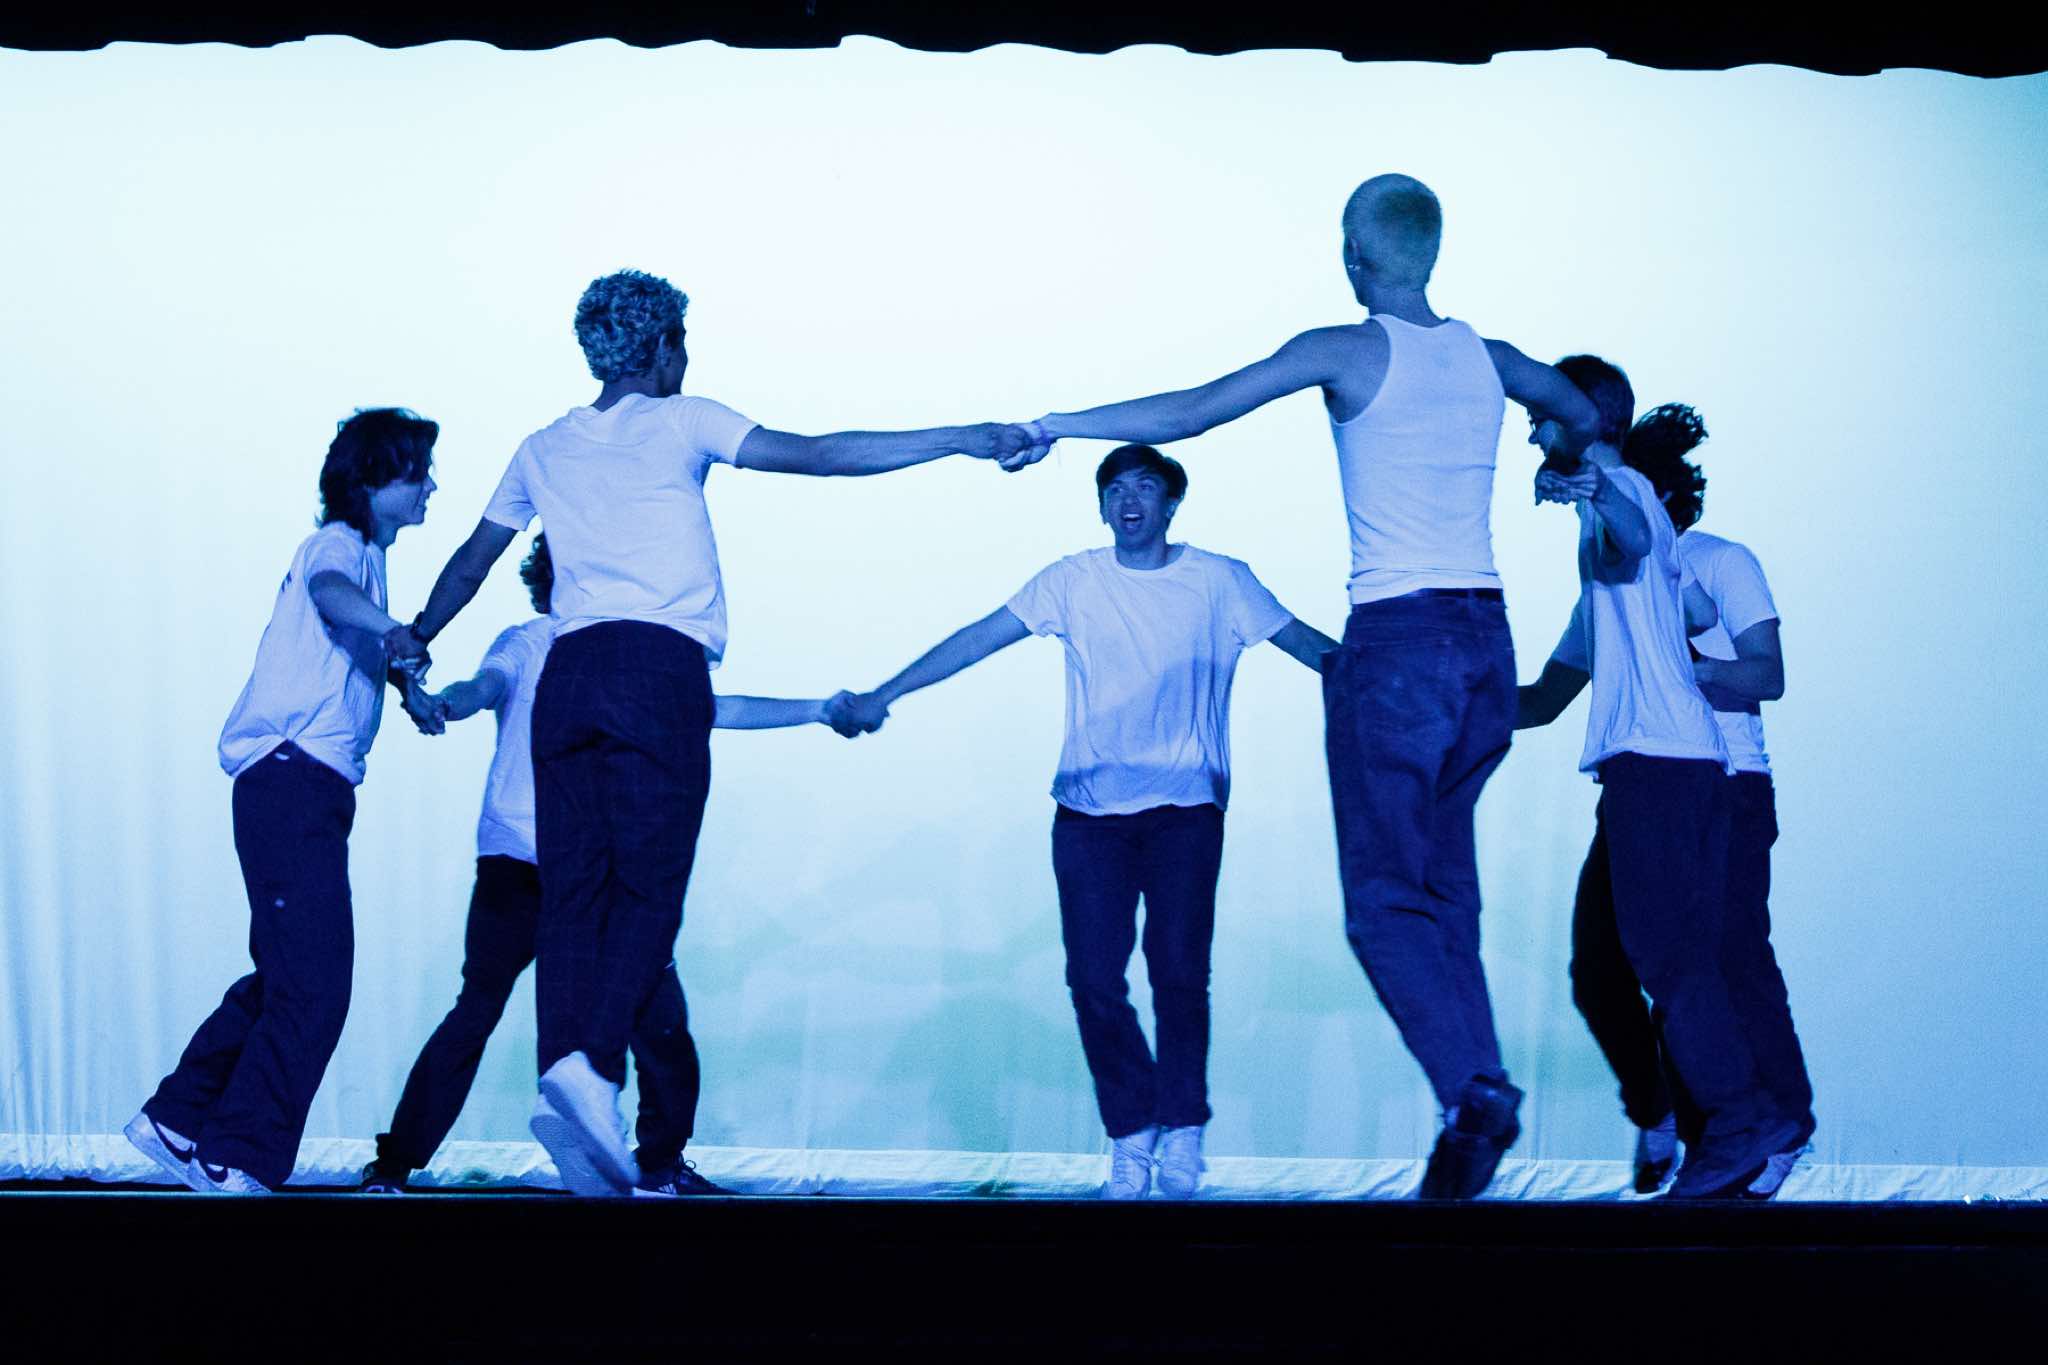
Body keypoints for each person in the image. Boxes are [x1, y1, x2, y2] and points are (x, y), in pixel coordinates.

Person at [1000, 175, 1603, 1198]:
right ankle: (1478, 1087)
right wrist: (1559, 461)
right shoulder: (1489, 357)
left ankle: (1470, 1092)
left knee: (1383, 905)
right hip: (1483, 641)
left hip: (1400, 641)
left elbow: (1192, 413)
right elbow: (1578, 408)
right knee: (1444, 894)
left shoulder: (1346, 349)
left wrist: (1056, 423)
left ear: (1354, 255)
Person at [404, 268, 1041, 1194]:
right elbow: (820, 455)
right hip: (653, 669)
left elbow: (473, 559)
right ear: (661, 346)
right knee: (648, 888)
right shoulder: (682, 419)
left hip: (569, 679)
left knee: (575, 892)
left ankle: (569, 1084)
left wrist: (417, 634)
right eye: (683, 345)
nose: (687, 361)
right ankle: (592, 1072)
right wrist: (964, 438)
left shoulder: (543, 445)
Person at [832, 445, 1333, 1199]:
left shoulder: (1221, 580)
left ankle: (1182, 1125)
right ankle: (1132, 1132)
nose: (1129, 500)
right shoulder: (1072, 580)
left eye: (1146, 487)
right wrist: (884, 693)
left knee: (1178, 973)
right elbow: (977, 639)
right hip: (1089, 814)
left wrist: (1419, 683)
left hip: (1185, 810)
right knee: (1093, 979)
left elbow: (1310, 647)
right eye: (1115, 489)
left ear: (1172, 503)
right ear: (1101, 507)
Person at [361, 536, 848, 1196]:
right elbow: (484, 685)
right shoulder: (534, 642)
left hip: (583, 867)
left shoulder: (622, 655)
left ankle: (656, 1165)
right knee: (490, 1011)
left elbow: (717, 710)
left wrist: (815, 709)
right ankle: (397, 1164)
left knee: (653, 1020)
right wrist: (448, 701)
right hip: (530, 866)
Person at [125, 407, 440, 1193]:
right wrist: (394, 632)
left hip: (301, 786)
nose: (431, 486)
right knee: (315, 984)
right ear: (373, 479)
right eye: (417, 473)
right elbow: (331, 596)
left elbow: (350, 641)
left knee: (287, 973)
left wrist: (408, 686)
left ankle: (179, 1118)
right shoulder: (336, 547)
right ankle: (236, 1153)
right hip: (291, 778)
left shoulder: (368, 558)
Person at [1514, 357, 1802, 1199]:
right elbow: (1548, 694)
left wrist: (1589, 486)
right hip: (1665, 768)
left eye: (1538, 417)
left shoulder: (1626, 493)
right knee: (1628, 965)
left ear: (1582, 416)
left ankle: (1740, 1125)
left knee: (1679, 964)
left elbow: (1634, 537)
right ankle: (1709, 1123)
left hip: (1662, 765)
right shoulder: (1626, 526)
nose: (1530, 434)